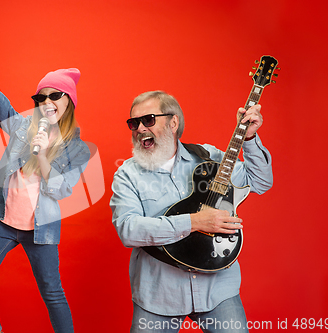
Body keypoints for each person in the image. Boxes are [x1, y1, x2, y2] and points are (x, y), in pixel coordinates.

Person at [0, 36, 90, 333]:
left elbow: (61, 190)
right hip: (3, 220)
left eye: (55, 95)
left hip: (41, 229)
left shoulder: (78, 149)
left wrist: (44, 158)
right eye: (41, 97)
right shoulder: (23, 126)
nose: (47, 102)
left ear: (68, 102)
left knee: (52, 292)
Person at [110, 91, 273, 333]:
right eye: (134, 123)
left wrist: (249, 138)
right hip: (159, 293)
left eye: (149, 120)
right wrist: (195, 222)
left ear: (173, 122)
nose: (140, 128)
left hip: (217, 289)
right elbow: (128, 229)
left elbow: (260, 181)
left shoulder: (207, 158)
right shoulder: (127, 174)